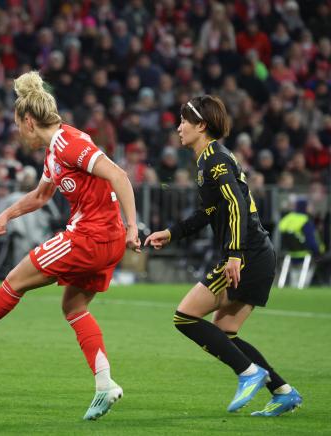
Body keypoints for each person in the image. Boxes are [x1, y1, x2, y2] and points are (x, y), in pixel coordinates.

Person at [0, 71, 141, 420]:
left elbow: (119, 175)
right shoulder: (55, 153)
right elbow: (41, 196)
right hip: (104, 241)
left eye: (17, 126)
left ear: (28, 121)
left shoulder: (69, 143)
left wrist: (133, 226)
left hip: (91, 237)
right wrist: (7, 214)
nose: (17, 134)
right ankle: (105, 384)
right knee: (74, 308)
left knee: (16, 279)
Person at [144, 95, 302, 416]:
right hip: (257, 254)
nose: (179, 128)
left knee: (184, 317)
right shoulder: (210, 160)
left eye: (184, 121)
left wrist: (233, 254)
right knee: (225, 334)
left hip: (246, 256)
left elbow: (236, 205)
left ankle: (249, 373)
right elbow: (207, 213)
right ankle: (283, 391)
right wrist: (172, 233)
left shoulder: (215, 160)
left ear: (201, 125)